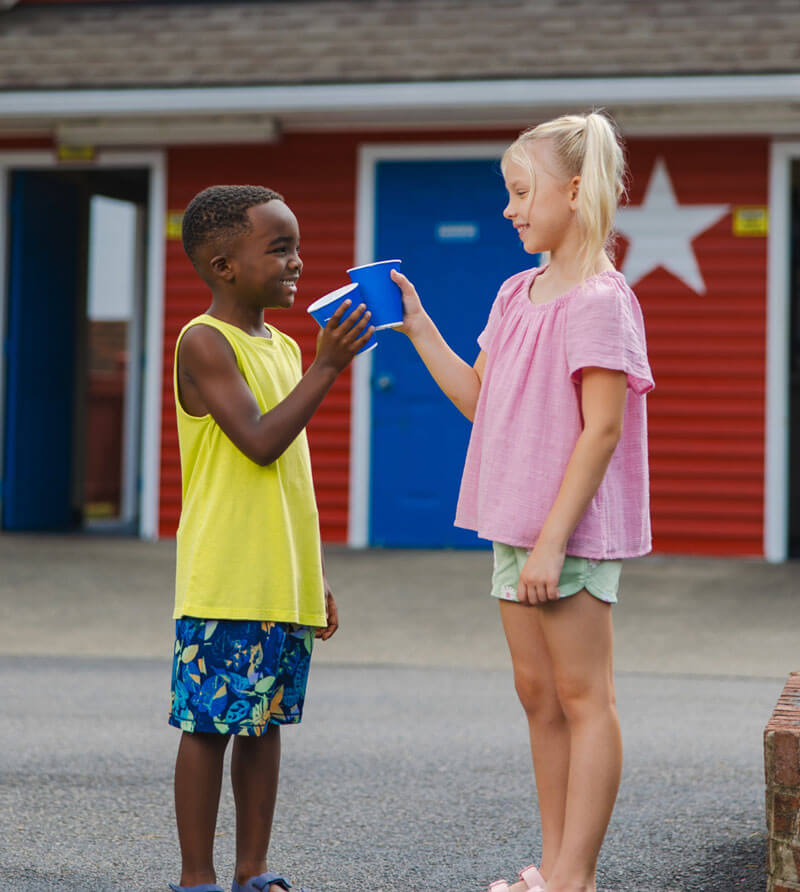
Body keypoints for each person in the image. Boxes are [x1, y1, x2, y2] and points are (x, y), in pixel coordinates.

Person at [391, 112, 654, 892]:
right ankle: (554, 865)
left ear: (574, 192)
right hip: (511, 522)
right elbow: (482, 400)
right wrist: (417, 326)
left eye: (520, 192)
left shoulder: (603, 300)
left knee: (584, 697)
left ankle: (575, 877)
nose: (509, 209)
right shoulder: (514, 292)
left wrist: (550, 542)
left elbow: (602, 430)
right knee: (538, 696)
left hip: (564, 534)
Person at [167, 185, 373, 892]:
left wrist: (309, 575)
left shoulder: (283, 344)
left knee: (264, 726)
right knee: (210, 727)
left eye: (295, 245)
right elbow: (258, 442)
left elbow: (289, 479)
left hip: (278, 579)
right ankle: (197, 879)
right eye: (279, 247)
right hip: (224, 578)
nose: (298, 261)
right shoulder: (204, 342)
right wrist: (329, 367)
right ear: (223, 266)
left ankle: (253, 872)